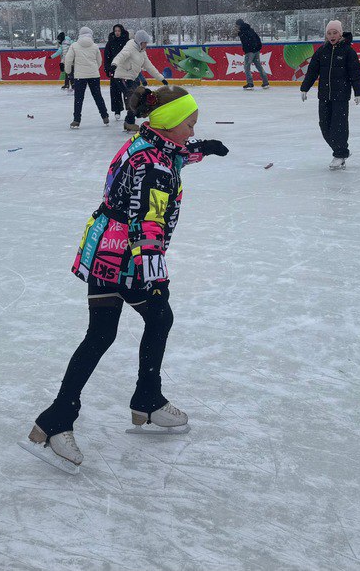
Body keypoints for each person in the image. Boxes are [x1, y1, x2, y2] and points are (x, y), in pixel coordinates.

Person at [24, 84, 229, 472]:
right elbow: (147, 223)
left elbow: (173, 150)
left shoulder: (150, 143)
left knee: (102, 334)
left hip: (104, 247)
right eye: (190, 124)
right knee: (157, 316)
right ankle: (145, 402)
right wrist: (154, 275)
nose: (192, 130)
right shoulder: (153, 167)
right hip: (124, 256)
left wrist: (202, 149)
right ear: (169, 124)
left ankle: (59, 418)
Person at [300, 20, 360, 169]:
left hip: (341, 96)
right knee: (325, 126)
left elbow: (355, 74)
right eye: (329, 33)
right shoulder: (322, 51)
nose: (332, 35)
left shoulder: (348, 52)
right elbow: (312, 71)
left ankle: (340, 155)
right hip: (324, 95)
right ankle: (341, 151)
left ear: (340, 34)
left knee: (339, 126)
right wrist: (305, 88)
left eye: (335, 32)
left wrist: (359, 92)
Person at [112, 29, 168, 132]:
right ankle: (129, 122)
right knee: (132, 98)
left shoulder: (142, 52)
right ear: (139, 42)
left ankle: (128, 122)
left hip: (131, 78)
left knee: (137, 98)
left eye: (146, 43)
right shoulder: (129, 47)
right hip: (122, 77)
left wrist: (161, 78)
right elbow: (120, 56)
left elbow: (149, 66)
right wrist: (114, 65)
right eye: (144, 43)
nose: (146, 45)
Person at [63, 27, 110, 129]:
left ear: (80, 35)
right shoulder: (94, 46)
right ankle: (105, 116)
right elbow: (99, 61)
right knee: (98, 96)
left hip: (80, 76)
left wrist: (68, 71)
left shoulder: (74, 45)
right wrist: (93, 69)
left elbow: (68, 59)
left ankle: (76, 120)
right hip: (94, 75)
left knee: (78, 98)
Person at [103, 23, 130, 121]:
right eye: (115, 31)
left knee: (127, 90)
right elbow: (107, 57)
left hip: (125, 70)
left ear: (122, 31)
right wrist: (107, 68)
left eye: (119, 31)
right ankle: (117, 110)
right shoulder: (110, 42)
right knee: (115, 91)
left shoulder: (127, 42)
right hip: (114, 70)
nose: (117, 33)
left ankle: (130, 110)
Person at [236, 19, 269, 90]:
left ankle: (250, 83)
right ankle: (266, 83)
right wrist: (257, 48)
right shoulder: (250, 29)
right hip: (256, 51)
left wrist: (248, 50)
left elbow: (246, 42)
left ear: (239, 25)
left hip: (250, 51)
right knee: (259, 66)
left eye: (237, 25)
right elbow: (257, 39)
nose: (237, 27)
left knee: (247, 67)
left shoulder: (243, 31)